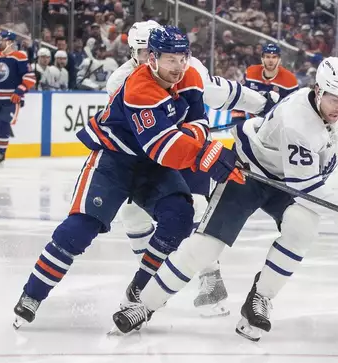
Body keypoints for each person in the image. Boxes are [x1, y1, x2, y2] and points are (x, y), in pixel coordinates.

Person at [111, 57, 338, 341]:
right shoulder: (296, 118)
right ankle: (144, 305)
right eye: (334, 98)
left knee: (302, 228)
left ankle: (260, 299)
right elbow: (305, 187)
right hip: (250, 173)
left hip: (289, 180)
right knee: (205, 247)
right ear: (318, 90)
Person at [12, 26, 244, 329]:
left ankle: (139, 289)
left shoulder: (190, 77)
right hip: (114, 160)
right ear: (152, 57)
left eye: (182, 58)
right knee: (80, 228)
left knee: (180, 215)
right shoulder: (137, 86)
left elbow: (199, 122)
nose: (177, 67)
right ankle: (32, 294)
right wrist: (204, 153)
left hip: (153, 165)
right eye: (169, 59)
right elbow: (162, 146)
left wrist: (194, 142)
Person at [106, 20, 280, 318]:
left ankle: (211, 281)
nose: (156, 56)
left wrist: (263, 104)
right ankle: (148, 277)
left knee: (197, 207)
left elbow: (223, 93)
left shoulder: (186, 67)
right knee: (132, 215)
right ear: (137, 52)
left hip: (190, 150)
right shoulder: (121, 81)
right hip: (152, 158)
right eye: (146, 50)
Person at [0, 30, 36, 166]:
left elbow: (29, 77)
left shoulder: (20, 56)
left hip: (10, 99)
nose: (0, 42)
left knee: (3, 124)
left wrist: (19, 92)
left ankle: (1, 153)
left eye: (2, 40)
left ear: (10, 42)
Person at [233, 43, 298, 119]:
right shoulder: (250, 72)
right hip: (251, 121)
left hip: (276, 123)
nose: (271, 60)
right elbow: (241, 96)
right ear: (262, 59)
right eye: (267, 57)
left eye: (274, 57)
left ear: (279, 60)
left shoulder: (290, 80)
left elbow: (293, 107)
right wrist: (238, 120)